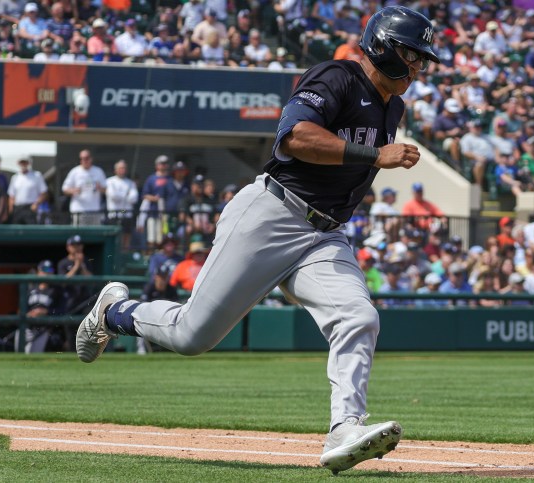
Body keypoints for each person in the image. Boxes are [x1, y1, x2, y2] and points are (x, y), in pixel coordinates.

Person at [75, 6, 437, 474]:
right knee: (192, 336)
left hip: (323, 233)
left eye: (421, 58)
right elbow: (292, 138)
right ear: (384, 46)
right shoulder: (337, 76)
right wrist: (375, 154)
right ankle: (113, 313)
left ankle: (345, 427)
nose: (417, 67)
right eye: (411, 54)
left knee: (358, 316)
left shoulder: (394, 105)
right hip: (273, 214)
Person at [16, 259, 59, 353]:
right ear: (39, 271)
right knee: (20, 355)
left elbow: (62, 310)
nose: (47, 273)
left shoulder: (56, 290)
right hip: (27, 327)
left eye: (50, 270)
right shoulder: (30, 288)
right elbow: (20, 310)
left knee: (34, 357)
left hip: (43, 329)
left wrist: (46, 311)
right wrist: (28, 314)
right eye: (44, 270)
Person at [61, 149, 106, 226]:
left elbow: (106, 190)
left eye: (87, 158)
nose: (84, 160)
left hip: (94, 210)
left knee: (94, 235)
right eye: (82, 158)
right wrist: (74, 190)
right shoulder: (74, 172)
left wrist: (100, 188)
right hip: (78, 210)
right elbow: (64, 189)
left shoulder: (98, 171)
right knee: (79, 235)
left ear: (91, 159)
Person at [105, 160, 139, 251]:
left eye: (124, 168)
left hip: (126, 213)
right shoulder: (110, 181)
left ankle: (125, 253)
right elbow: (113, 196)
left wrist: (121, 196)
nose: (122, 170)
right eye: (120, 168)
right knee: (114, 236)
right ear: (115, 170)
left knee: (127, 235)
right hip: (114, 214)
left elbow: (134, 198)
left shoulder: (131, 183)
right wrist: (126, 195)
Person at [7, 156, 48, 225]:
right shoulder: (15, 177)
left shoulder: (36, 175)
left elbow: (44, 192)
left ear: (29, 163)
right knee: (17, 231)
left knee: (31, 231)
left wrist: (36, 203)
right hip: (18, 209)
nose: (23, 164)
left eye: (25, 162)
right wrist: (11, 209)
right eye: (22, 163)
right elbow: (11, 195)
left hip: (30, 208)